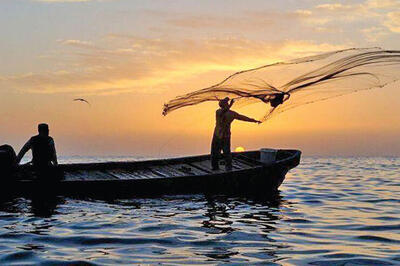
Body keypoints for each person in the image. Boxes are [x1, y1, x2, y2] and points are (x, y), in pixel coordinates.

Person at [211, 97, 260, 171]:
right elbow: (224, 111)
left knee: (227, 153)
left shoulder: (231, 114)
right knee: (215, 153)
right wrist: (230, 104)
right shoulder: (218, 112)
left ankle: (228, 168)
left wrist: (253, 120)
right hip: (217, 135)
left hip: (225, 136)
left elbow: (242, 117)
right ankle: (215, 168)